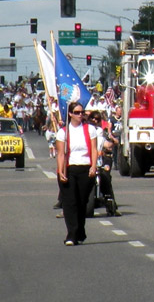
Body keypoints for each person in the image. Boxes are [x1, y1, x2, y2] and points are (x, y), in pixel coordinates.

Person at [56, 102, 101, 245]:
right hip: (69, 168)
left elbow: (94, 149)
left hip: (85, 167)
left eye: (82, 112)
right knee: (70, 203)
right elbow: (60, 153)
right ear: (70, 114)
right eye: (77, 112)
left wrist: (93, 166)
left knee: (82, 202)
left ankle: (80, 231)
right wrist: (61, 170)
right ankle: (71, 235)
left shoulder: (90, 129)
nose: (80, 115)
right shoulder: (64, 132)